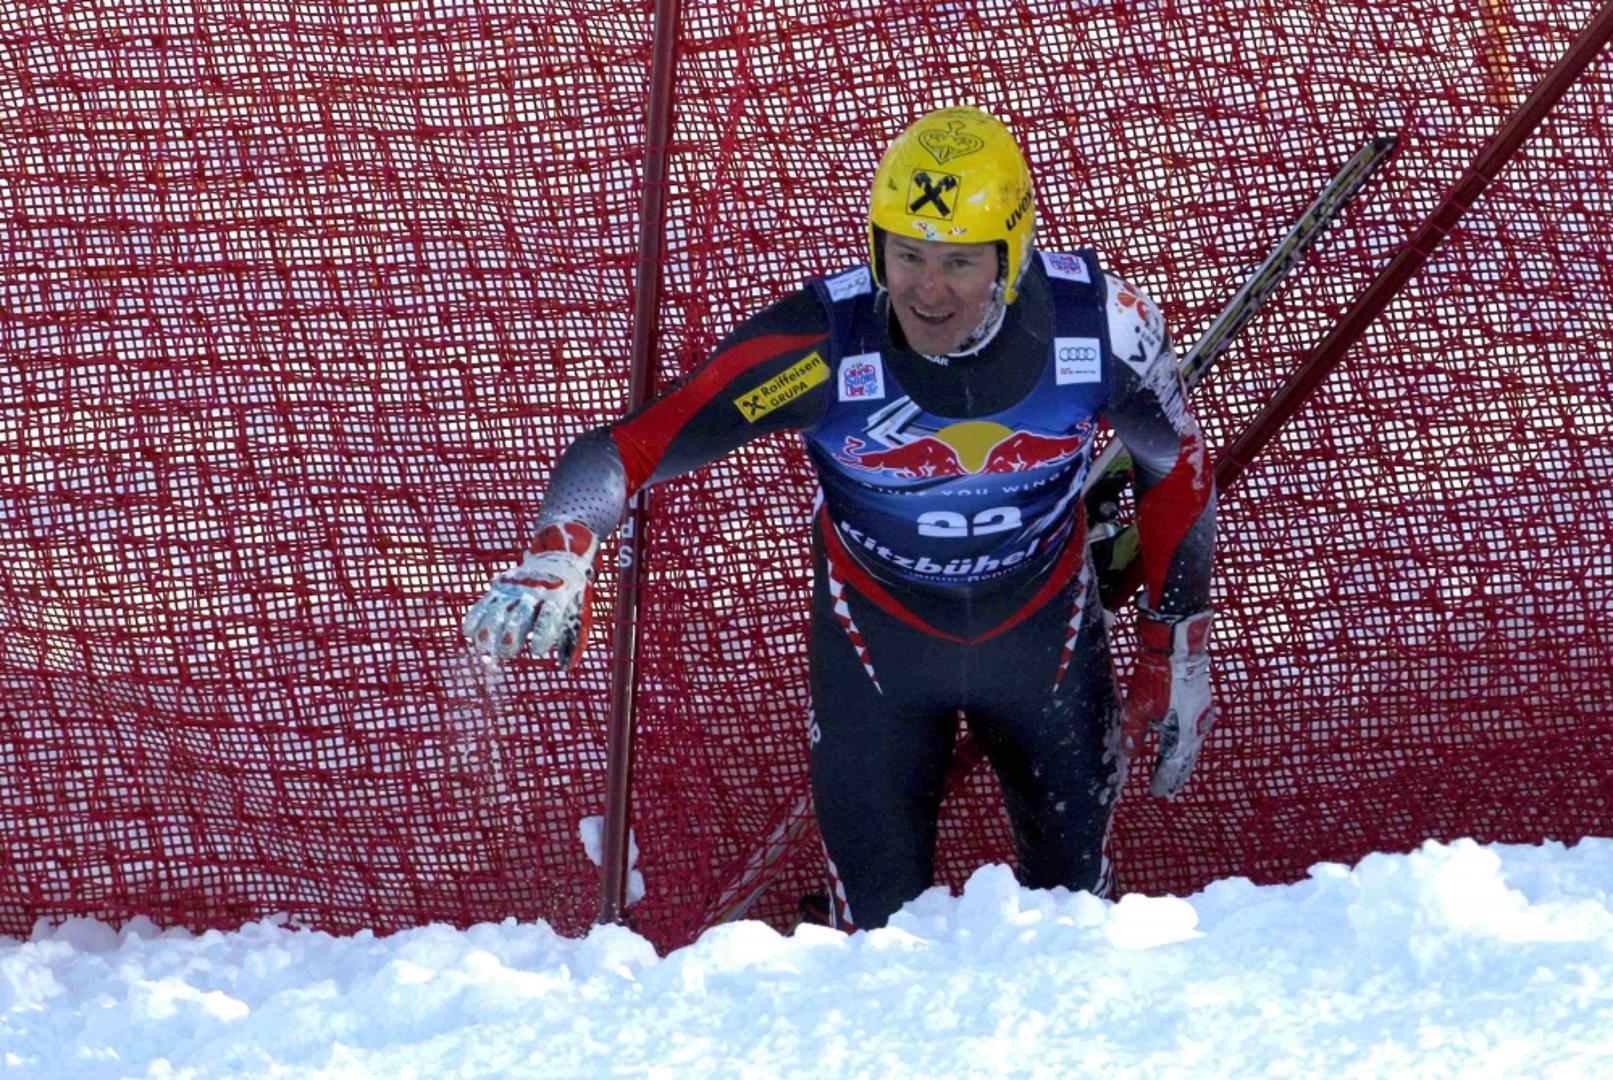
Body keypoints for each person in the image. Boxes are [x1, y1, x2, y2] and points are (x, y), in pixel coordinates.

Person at [463, 106, 1216, 931]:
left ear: (1012, 255)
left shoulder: (1102, 325)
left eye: (960, 261)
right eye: (907, 255)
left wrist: (1173, 650)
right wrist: (559, 553)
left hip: (1045, 641)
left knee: (1078, 924)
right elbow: (629, 448)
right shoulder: (823, 344)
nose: (928, 290)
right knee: (875, 942)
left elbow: (1173, 465)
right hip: (876, 649)